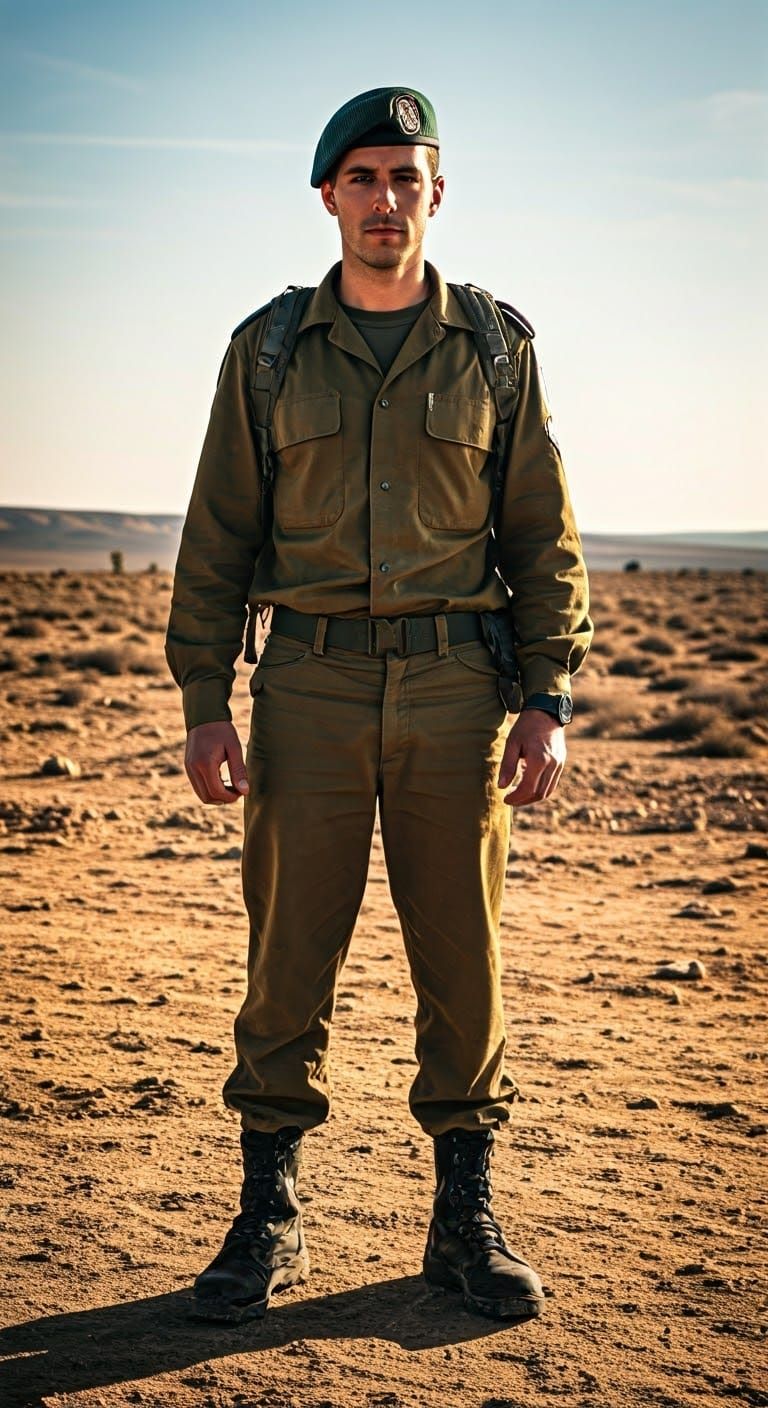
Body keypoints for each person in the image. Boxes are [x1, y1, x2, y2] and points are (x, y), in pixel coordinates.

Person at [165, 86, 593, 1326]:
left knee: (464, 958)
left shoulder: (496, 348)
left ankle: (465, 1220)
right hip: (307, 684)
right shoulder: (267, 350)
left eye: (407, 178)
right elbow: (216, 540)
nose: (386, 200)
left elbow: (543, 539)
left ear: (436, 195)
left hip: (462, 689)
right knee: (288, 954)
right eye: (363, 177)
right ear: (328, 197)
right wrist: (206, 697)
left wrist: (547, 694)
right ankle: (268, 1216)